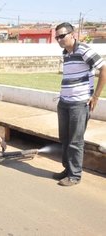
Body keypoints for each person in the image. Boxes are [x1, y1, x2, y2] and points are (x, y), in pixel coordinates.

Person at [53, 22, 106, 186]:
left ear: (72, 34)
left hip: (79, 104)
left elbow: (103, 69)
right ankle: (67, 170)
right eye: (57, 37)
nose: (59, 40)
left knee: (75, 141)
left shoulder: (83, 50)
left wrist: (96, 96)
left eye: (62, 36)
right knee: (65, 138)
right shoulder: (66, 53)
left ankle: (75, 176)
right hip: (64, 103)